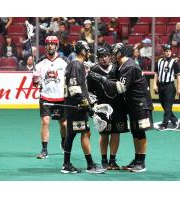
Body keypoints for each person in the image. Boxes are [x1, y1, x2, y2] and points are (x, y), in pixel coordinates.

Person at [88, 43, 153, 172]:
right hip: (133, 105)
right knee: (136, 133)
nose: (109, 57)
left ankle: (141, 162)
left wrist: (102, 79)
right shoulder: (122, 65)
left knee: (140, 133)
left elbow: (120, 88)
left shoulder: (127, 67)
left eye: (111, 54)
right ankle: (137, 159)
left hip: (140, 104)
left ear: (118, 53)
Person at [61, 40, 106, 174]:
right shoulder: (76, 64)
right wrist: (87, 106)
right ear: (82, 51)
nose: (89, 53)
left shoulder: (75, 64)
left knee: (72, 134)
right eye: (87, 50)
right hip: (77, 107)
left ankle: (66, 164)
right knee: (84, 133)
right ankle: (90, 165)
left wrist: (88, 101)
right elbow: (75, 89)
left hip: (75, 106)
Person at [87, 47, 128, 170]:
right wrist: (93, 105)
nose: (104, 59)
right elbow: (89, 90)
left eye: (106, 56)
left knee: (116, 133)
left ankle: (113, 161)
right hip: (102, 107)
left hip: (118, 106)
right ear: (97, 58)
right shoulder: (94, 70)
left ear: (110, 56)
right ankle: (104, 160)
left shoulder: (117, 69)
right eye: (101, 57)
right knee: (104, 134)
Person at [32, 35, 67, 159]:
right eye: (47, 44)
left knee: (63, 125)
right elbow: (35, 84)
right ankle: (44, 149)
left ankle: (63, 142)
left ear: (56, 46)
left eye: (52, 44)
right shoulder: (40, 63)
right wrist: (35, 78)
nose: (50, 46)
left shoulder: (64, 62)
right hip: (45, 97)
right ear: (45, 46)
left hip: (60, 98)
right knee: (45, 122)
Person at [153, 44, 180, 130]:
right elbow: (156, 73)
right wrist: (154, 84)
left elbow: (178, 75)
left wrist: (179, 87)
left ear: (171, 52)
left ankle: (164, 124)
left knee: (168, 106)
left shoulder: (174, 63)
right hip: (161, 85)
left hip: (170, 86)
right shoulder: (159, 62)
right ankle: (174, 120)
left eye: (169, 51)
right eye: (166, 51)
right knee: (164, 105)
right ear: (164, 52)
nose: (168, 53)